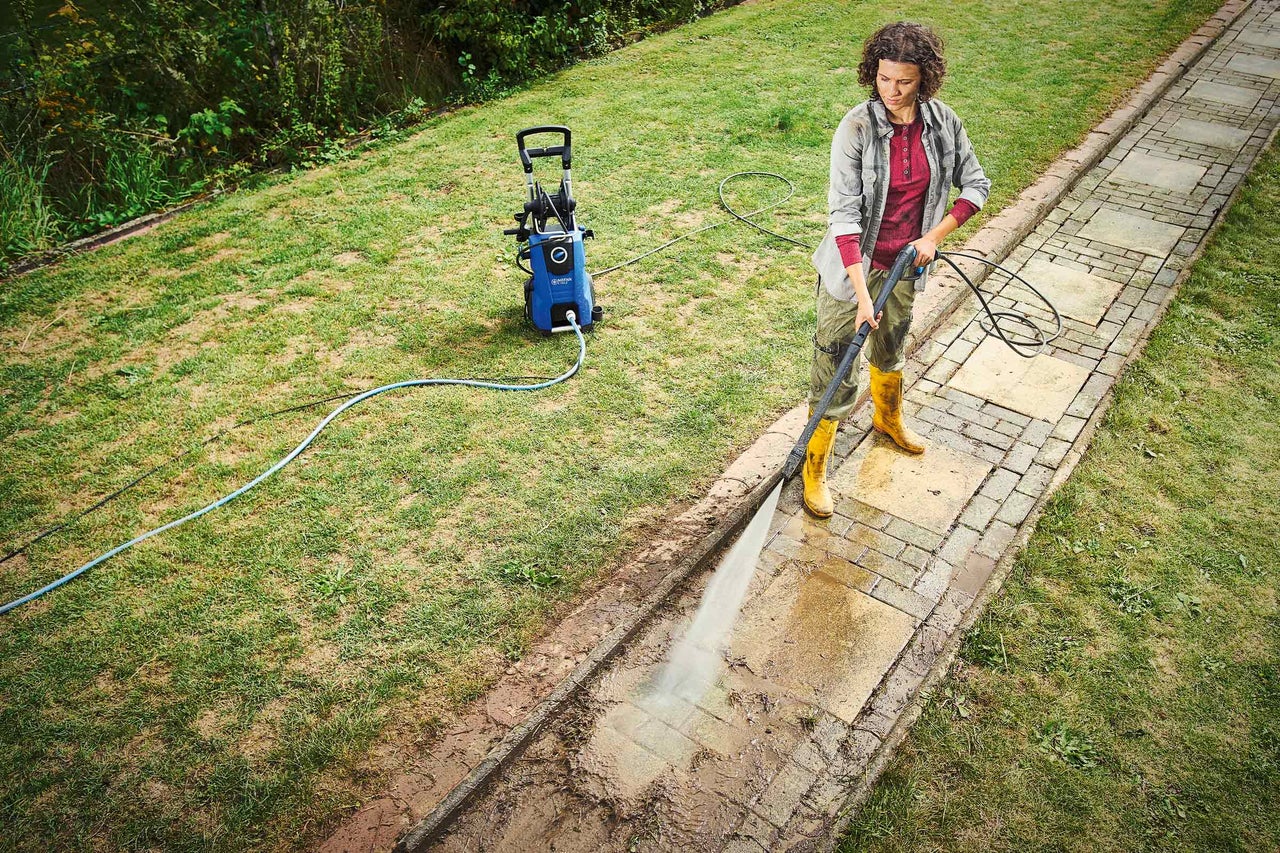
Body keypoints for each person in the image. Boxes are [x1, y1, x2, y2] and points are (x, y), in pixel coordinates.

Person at [803, 21, 991, 518]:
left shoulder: (944, 123)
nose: (892, 91)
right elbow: (843, 215)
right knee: (836, 363)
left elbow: (977, 185)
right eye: (884, 79)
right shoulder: (857, 128)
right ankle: (815, 468)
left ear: (924, 79)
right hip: (853, 271)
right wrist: (862, 295)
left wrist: (932, 237)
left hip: (905, 266)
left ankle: (888, 421)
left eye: (904, 81)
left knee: (891, 346)